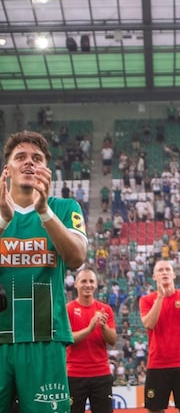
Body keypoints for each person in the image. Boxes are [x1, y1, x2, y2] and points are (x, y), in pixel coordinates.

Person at [0, 131, 88, 412]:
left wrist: (44, 211)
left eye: (37, 159)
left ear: (47, 170)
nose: (29, 163)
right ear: (7, 170)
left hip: (45, 337)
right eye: (20, 157)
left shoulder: (64, 208)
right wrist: (3, 218)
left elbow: (76, 257)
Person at [140, 259, 180, 413]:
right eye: (160, 270)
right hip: (157, 364)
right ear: (154, 276)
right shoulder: (146, 300)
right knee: (154, 409)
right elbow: (149, 324)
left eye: (167, 269)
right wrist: (160, 297)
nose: (164, 272)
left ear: (173, 274)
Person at [66, 268, 117, 413]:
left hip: (101, 374)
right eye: (83, 281)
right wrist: (90, 328)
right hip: (75, 375)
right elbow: (68, 339)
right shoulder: (68, 309)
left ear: (96, 285)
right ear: (75, 284)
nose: (87, 285)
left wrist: (104, 327)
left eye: (91, 281)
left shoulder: (105, 309)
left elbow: (112, 340)